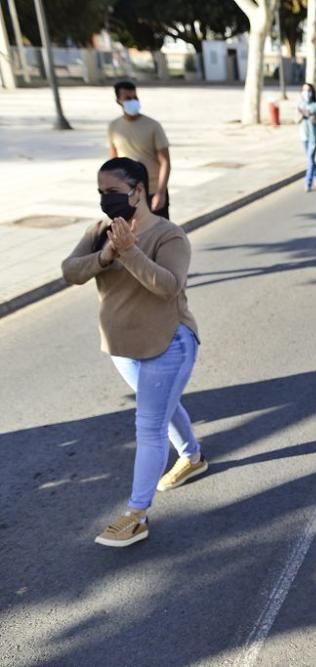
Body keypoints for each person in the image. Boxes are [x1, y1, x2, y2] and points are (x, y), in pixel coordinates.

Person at [62, 157, 204, 547]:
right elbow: (70, 272)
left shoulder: (169, 236)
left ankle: (135, 514)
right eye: (101, 193)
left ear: (138, 191)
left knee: (150, 425)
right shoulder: (99, 232)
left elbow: (168, 286)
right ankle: (192, 457)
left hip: (167, 343)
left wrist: (129, 253)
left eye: (113, 192)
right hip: (123, 347)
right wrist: (105, 255)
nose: (106, 201)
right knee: (164, 407)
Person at [108, 81, 171, 219]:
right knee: (134, 237)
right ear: (118, 101)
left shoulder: (153, 126)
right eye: (128, 99)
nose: (133, 101)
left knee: (160, 236)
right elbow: (113, 162)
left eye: (135, 98)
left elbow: (165, 162)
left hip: (152, 191)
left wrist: (160, 193)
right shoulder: (114, 127)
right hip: (129, 194)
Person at [297, 83, 316, 192]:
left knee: (310, 159)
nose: (306, 93)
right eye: (304, 90)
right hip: (304, 136)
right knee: (310, 159)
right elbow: (296, 121)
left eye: (308, 90)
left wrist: (313, 118)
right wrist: (302, 116)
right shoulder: (300, 104)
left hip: (314, 137)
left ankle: (308, 182)